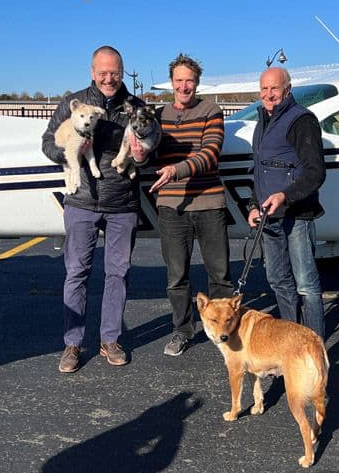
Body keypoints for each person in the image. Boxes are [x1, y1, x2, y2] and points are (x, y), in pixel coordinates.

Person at [42, 46, 149, 373]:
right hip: (82, 202)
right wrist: (68, 154)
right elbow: (48, 143)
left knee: (118, 273)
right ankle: (73, 344)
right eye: (102, 72)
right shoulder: (73, 103)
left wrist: (144, 156)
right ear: (92, 72)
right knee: (76, 273)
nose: (108, 78)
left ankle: (110, 340)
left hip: (122, 204)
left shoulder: (136, 107)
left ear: (122, 71)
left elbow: (151, 145)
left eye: (114, 72)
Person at [149, 54, 233, 356]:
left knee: (220, 275)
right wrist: (136, 150)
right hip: (172, 207)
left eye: (190, 81)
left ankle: (225, 331)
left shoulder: (211, 110)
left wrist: (175, 170)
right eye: (179, 80)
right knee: (176, 277)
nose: (184, 86)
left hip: (209, 202)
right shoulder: (157, 116)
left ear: (197, 83)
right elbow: (146, 153)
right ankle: (183, 331)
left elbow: (211, 153)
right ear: (171, 83)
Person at [247, 67, 326, 339]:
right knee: (278, 281)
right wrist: (253, 206)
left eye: (275, 89)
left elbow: (315, 172)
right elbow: (259, 171)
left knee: (305, 284)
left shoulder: (302, 120)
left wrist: (285, 196)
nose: (269, 95)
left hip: (297, 214)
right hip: (270, 216)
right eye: (264, 89)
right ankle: (291, 340)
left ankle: (314, 346)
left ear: (287, 90)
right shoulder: (263, 121)